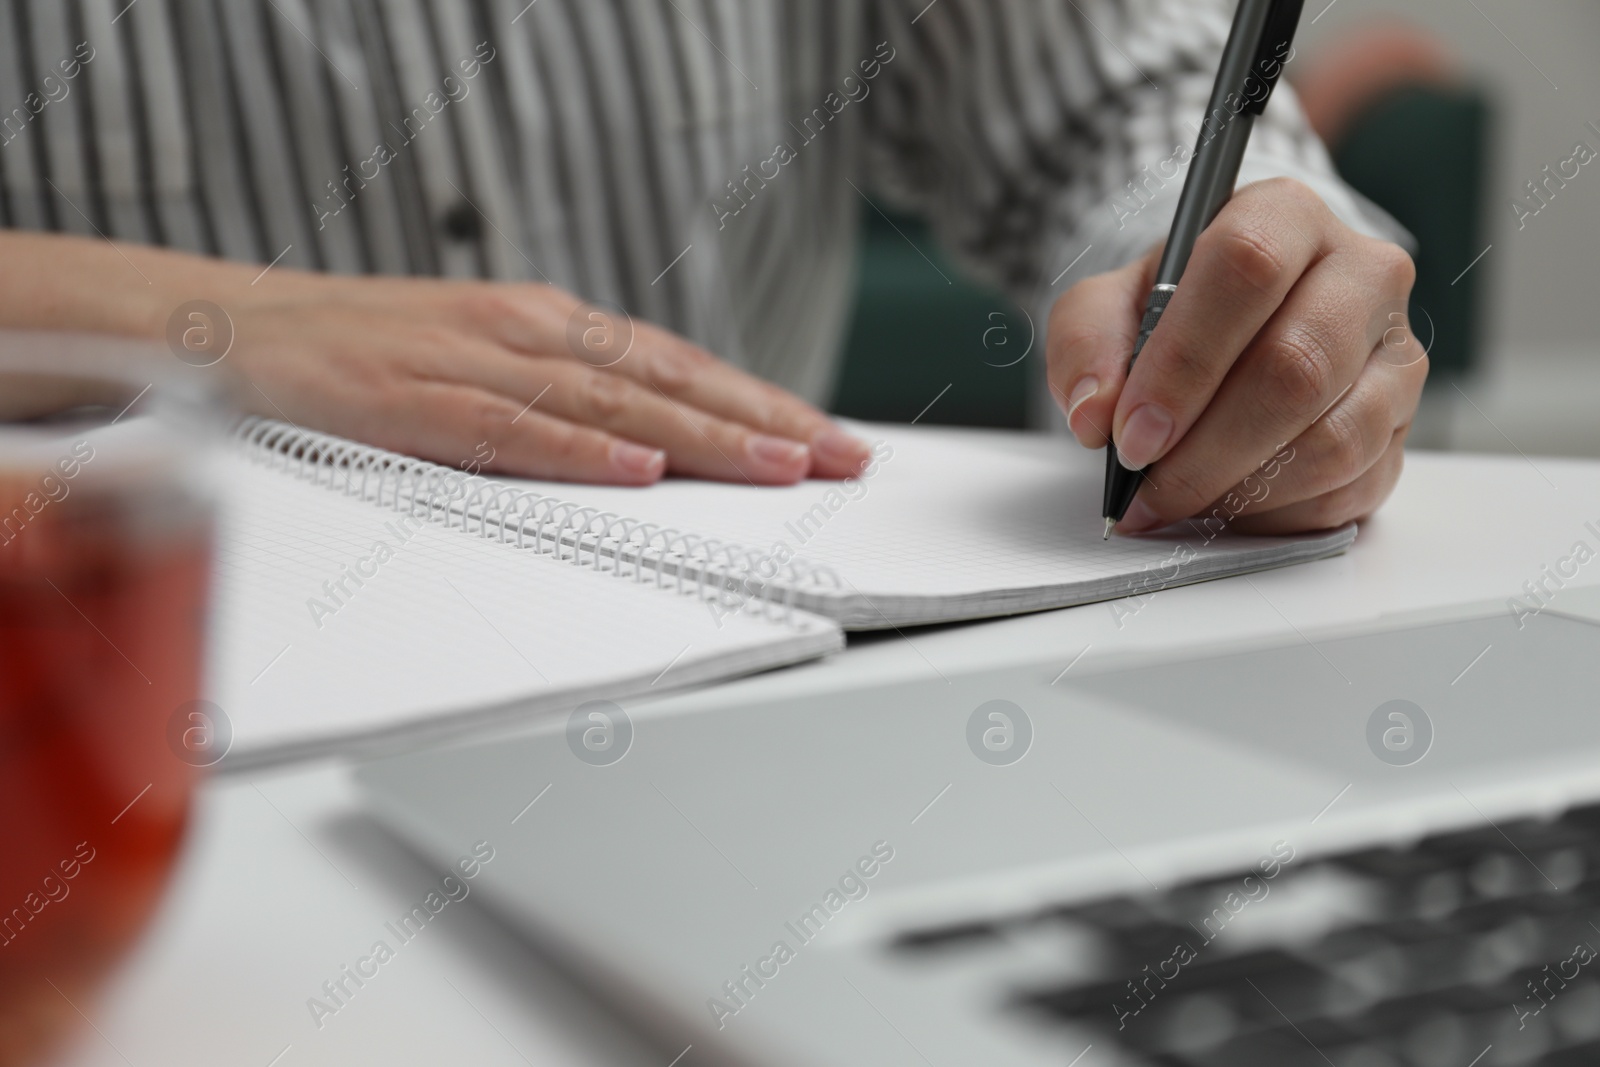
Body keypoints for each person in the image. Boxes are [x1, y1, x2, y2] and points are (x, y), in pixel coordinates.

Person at [0, 0, 1424, 534]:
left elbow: (1129, 102)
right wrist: (186, 320)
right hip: (101, 718)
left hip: (753, 686)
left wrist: (1247, 283)